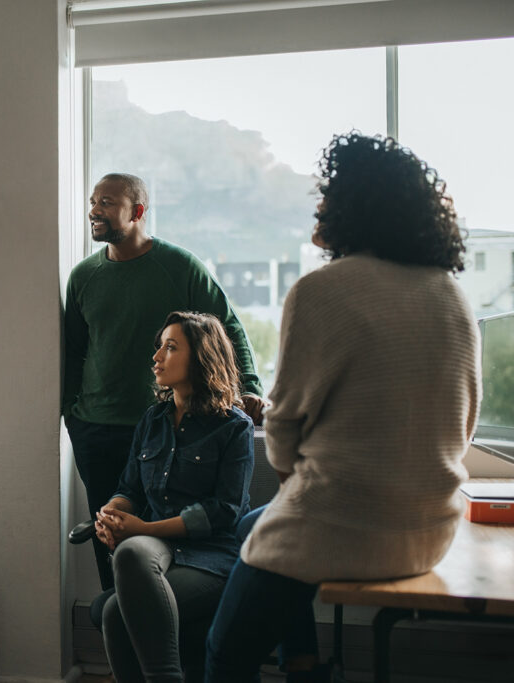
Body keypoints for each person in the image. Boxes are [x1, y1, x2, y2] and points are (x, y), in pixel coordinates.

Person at [204, 132, 481, 683]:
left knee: (224, 653)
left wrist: (302, 484)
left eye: (327, 197)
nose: (319, 212)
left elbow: (281, 432)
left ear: (356, 207)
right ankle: (302, 661)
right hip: (429, 533)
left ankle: (297, 664)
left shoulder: (320, 290)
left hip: (342, 528)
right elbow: (464, 426)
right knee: (250, 527)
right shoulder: (453, 296)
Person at [64, 172, 264, 590]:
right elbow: (72, 351)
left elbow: (227, 328)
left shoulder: (180, 267)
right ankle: (120, 626)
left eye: (107, 203)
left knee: (165, 539)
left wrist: (250, 389)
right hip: (96, 429)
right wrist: (72, 416)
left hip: (168, 427)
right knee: (112, 538)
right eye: (93, 201)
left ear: (137, 212)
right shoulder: (83, 276)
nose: (94, 211)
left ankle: (169, 622)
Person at [94, 311, 254, 683]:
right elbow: (130, 488)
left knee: (115, 612)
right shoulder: (153, 420)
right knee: (132, 550)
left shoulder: (234, 427)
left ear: (201, 356)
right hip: (157, 547)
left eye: (170, 347)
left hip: (212, 556)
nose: (157, 357)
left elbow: (225, 511)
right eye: (159, 347)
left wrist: (144, 527)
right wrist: (113, 514)